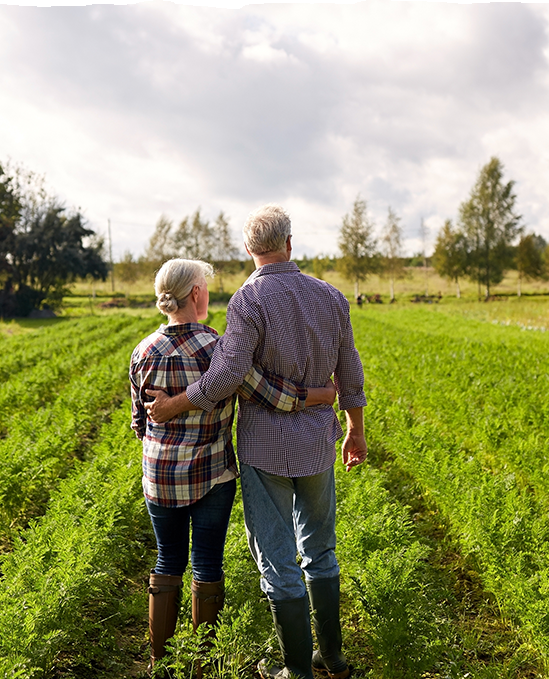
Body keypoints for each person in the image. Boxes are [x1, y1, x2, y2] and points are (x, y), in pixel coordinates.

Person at [148, 205, 367, 679]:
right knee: (321, 550)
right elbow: (349, 369)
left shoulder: (248, 301)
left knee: (277, 557)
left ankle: (297, 670)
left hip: (264, 448)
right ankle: (333, 657)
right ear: (290, 244)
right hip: (315, 446)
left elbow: (228, 374)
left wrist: (177, 404)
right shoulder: (331, 297)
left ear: (249, 250)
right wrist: (355, 428)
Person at [129, 258, 336, 671]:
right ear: (195, 294)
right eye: (205, 285)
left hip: (160, 476)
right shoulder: (217, 348)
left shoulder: (143, 350)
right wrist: (318, 395)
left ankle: (160, 661)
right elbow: (266, 392)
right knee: (206, 562)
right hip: (211, 474)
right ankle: (201, 660)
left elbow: (139, 421)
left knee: (167, 559)